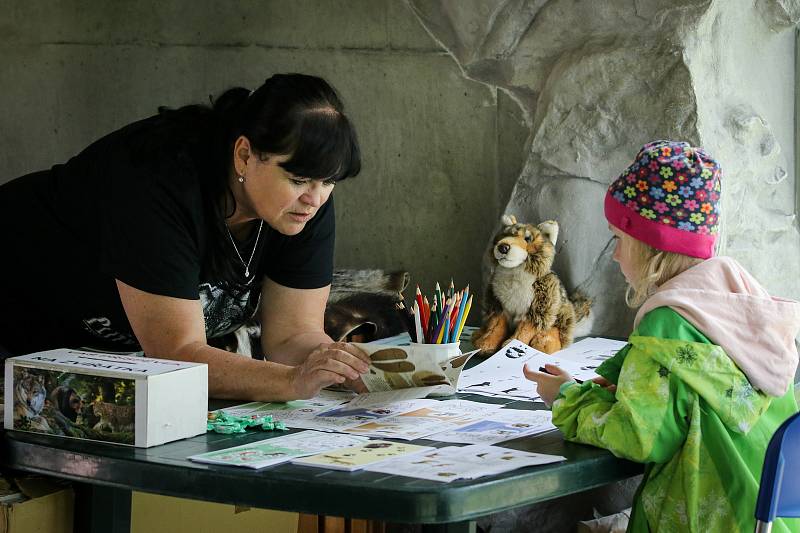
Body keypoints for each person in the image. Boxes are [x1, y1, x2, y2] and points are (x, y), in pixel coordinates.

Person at [0, 73, 371, 401]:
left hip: (79, 350)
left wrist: (358, 371)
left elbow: (292, 337)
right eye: (299, 180)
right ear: (244, 155)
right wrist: (291, 382)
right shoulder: (158, 179)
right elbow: (176, 353)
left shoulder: (304, 203)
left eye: (329, 182)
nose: (315, 198)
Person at [524, 140, 800, 532]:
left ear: (651, 246)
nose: (615, 255)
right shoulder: (737, 301)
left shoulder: (667, 322)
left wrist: (567, 399)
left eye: (619, 239)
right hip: (768, 522)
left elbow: (641, 436)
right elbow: (696, 388)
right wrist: (625, 374)